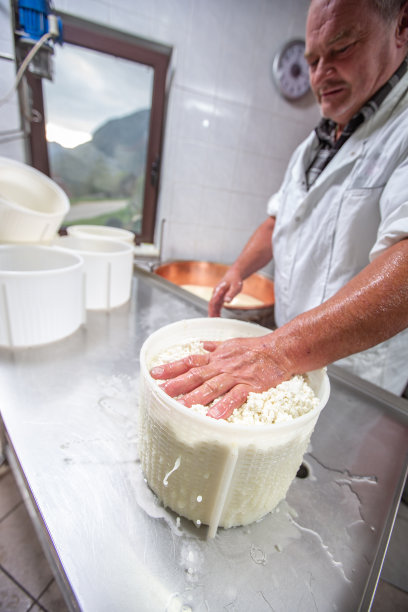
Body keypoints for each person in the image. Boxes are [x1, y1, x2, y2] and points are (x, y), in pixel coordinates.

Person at [151, 0, 408, 419]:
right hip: (288, 357)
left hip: (358, 378)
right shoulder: (313, 146)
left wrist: (276, 350)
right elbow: (280, 220)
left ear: (402, 25)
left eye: (341, 49)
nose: (320, 75)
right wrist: (237, 270)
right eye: (312, 60)